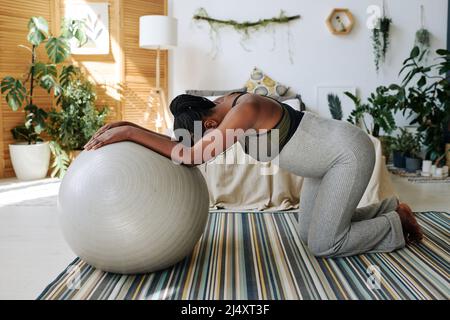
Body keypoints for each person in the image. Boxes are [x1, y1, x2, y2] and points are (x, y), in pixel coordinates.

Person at [84, 92, 423, 257]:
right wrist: (129, 125)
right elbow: (183, 146)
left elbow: (190, 157)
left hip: (347, 155)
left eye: (209, 136)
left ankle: (396, 226)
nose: (212, 143)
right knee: (308, 232)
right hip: (323, 166)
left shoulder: (243, 109)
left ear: (212, 124)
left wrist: (129, 135)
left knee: (324, 244)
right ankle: (392, 209)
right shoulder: (219, 109)